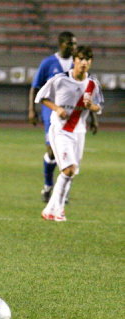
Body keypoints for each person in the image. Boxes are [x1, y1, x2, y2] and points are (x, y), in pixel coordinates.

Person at [34, 45, 104, 221]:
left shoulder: (92, 84)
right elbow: (41, 97)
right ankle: (58, 209)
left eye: (87, 60)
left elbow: (99, 106)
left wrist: (91, 107)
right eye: (80, 59)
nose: (83, 63)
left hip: (79, 131)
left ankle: (51, 209)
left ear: (91, 62)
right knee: (68, 169)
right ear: (74, 61)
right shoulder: (60, 79)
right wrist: (56, 108)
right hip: (60, 130)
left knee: (71, 172)